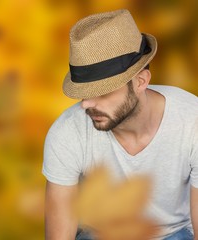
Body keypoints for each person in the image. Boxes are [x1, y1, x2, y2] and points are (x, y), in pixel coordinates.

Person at [42, 9, 198, 240]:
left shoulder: (192, 121)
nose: (86, 105)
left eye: (102, 92)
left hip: (175, 233)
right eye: (83, 93)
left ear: (141, 81)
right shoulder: (67, 132)